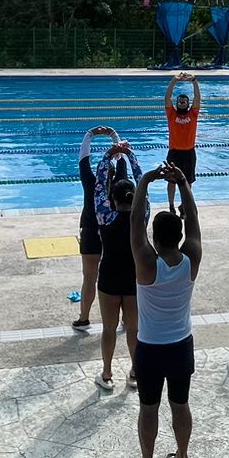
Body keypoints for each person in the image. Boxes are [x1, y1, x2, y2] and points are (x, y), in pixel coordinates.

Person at [128, 165, 202, 458]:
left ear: (154, 239)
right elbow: (195, 222)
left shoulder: (147, 264)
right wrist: (183, 184)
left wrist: (145, 181)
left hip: (150, 349)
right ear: (180, 237)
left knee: (149, 408)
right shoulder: (191, 259)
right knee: (180, 404)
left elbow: (134, 225)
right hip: (181, 345)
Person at [93, 140, 144, 390]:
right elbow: (142, 180)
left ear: (112, 199)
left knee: (109, 329)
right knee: (134, 329)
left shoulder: (104, 215)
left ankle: (107, 374)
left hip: (109, 279)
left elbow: (99, 186)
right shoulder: (140, 216)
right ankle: (135, 373)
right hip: (134, 279)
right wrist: (130, 155)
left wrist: (108, 156)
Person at [72, 125, 121, 331]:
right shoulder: (119, 183)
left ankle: (84, 319)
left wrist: (89, 134)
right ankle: (126, 318)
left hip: (91, 234)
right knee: (119, 276)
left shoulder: (90, 183)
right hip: (114, 235)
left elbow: (84, 160)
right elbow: (121, 158)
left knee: (89, 278)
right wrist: (113, 136)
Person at [163, 73, 201, 211]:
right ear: (177, 103)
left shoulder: (193, 114)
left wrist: (194, 81)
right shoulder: (171, 114)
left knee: (187, 182)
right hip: (174, 152)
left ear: (188, 104)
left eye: (184, 102)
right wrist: (173, 81)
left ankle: (184, 206)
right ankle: (171, 205)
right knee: (171, 181)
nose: (182, 103)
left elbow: (197, 97)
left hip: (189, 153)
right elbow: (167, 98)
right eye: (180, 102)